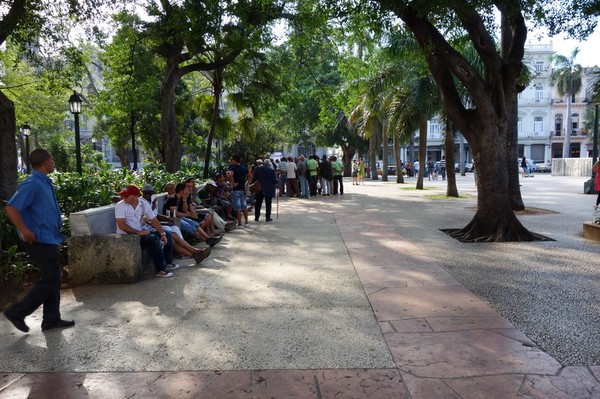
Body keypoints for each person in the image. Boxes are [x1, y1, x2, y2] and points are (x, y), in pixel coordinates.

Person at [4, 149, 75, 332]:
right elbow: (11, 208)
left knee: (53, 278)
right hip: (38, 240)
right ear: (45, 162)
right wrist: (25, 230)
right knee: (51, 279)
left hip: (49, 239)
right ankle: (17, 312)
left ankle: (51, 319)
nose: (53, 162)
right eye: (51, 159)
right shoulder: (32, 183)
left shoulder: (44, 182)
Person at [116, 185, 180, 278]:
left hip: (139, 232)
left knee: (167, 234)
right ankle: (160, 270)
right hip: (127, 235)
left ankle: (168, 262)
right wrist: (138, 233)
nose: (123, 198)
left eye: (126, 196)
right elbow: (122, 225)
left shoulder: (143, 204)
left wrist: (162, 233)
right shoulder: (120, 206)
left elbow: (154, 220)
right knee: (153, 239)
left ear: (135, 196)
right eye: (123, 196)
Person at [140, 185, 210, 264]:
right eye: (146, 193)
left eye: (150, 193)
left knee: (175, 230)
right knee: (171, 236)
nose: (148, 195)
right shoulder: (140, 202)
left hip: (155, 224)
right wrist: (153, 208)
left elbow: (155, 215)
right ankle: (194, 253)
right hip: (148, 226)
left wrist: (164, 218)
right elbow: (148, 218)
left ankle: (194, 252)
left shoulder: (153, 199)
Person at [227, 154, 250, 228]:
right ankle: (246, 222)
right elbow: (251, 176)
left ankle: (239, 224)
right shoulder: (244, 168)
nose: (231, 161)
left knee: (238, 207)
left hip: (236, 189)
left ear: (234, 160)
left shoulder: (233, 168)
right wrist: (247, 183)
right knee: (244, 206)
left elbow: (230, 175)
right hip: (242, 189)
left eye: (232, 160)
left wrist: (233, 183)